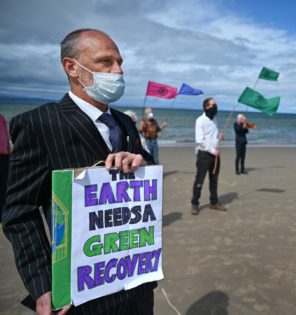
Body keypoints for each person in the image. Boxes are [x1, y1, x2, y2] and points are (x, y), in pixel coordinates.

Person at [2, 29, 157, 315]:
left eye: (120, 62)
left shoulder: (124, 122)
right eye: (106, 62)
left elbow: (146, 168)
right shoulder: (39, 123)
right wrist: (43, 284)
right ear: (72, 67)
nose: (118, 70)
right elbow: (18, 211)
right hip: (81, 293)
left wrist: (140, 162)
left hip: (135, 281)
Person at [191, 97, 226, 215]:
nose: (215, 107)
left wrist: (219, 137)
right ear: (206, 107)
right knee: (199, 180)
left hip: (215, 155)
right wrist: (212, 150)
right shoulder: (200, 120)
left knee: (214, 180)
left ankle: (214, 202)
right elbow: (200, 140)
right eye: (213, 105)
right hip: (204, 155)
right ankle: (195, 204)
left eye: (216, 105)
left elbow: (213, 136)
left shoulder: (215, 119)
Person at [0, 113, 10, 222]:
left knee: (4, 187)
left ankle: (3, 215)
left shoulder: (2, 118)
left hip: (4, 157)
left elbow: (6, 138)